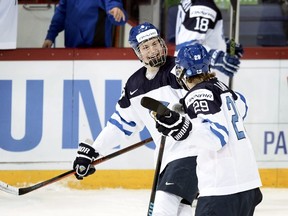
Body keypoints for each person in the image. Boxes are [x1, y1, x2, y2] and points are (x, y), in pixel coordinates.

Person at [73, 22, 200, 215]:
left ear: (162, 43)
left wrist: (187, 121)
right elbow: (120, 125)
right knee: (181, 210)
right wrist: (93, 151)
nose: (153, 50)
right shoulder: (133, 85)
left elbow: (208, 102)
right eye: (146, 47)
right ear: (138, 53)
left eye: (155, 43)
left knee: (163, 208)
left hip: (193, 151)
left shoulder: (180, 69)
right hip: (171, 159)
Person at [153, 43, 263, 216]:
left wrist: (181, 127)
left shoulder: (197, 94)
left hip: (221, 189)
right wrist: (188, 112)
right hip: (248, 185)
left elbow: (216, 138)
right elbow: (243, 107)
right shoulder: (223, 89)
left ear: (182, 72)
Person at [175, 0, 244, 85]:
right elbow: (188, 48)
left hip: (194, 81)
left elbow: (198, 37)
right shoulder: (203, 7)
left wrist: (223, 44)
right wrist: (216, 57)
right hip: (203, 83)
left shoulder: (195, 3)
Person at [42, 0, 127, 48]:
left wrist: (117, 11)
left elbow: (115, 9)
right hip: (71, 50)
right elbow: (61, 13)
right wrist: (50, 37)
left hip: (97, 51)